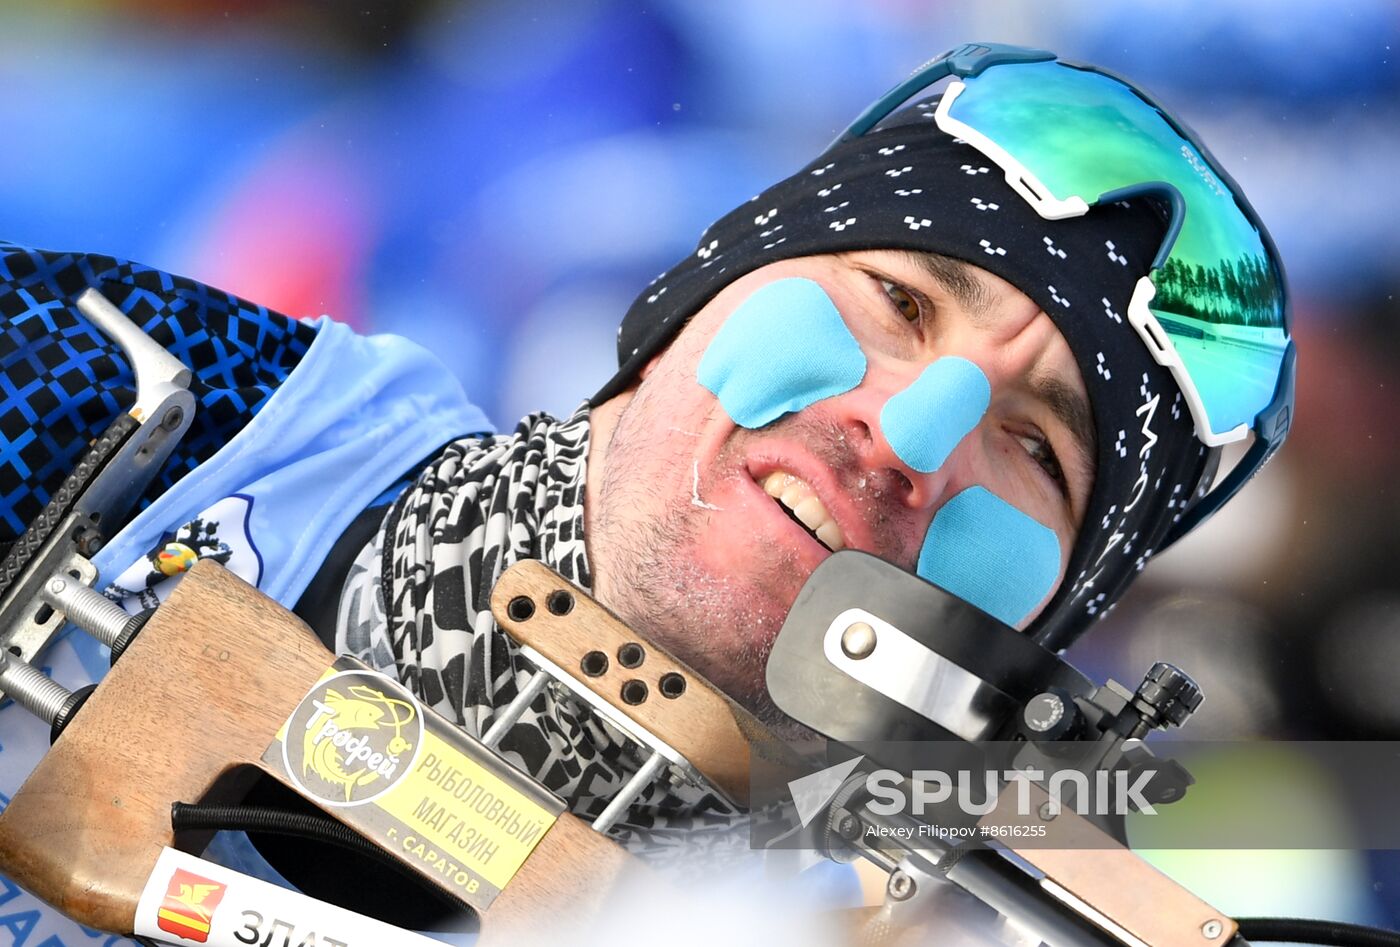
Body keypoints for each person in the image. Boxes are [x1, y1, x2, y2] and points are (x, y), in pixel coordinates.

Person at [0, 41, 1292, 941]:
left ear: (1045, 640)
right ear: (696, 289)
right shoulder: (138, 400)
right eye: (896, 301)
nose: (909, 433)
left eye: (1037, 450)